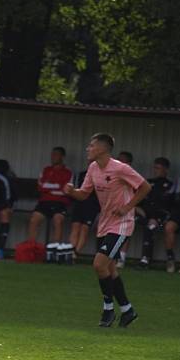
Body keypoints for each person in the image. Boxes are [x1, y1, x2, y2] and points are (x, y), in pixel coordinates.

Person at [64, 133, 151, 328]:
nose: (88, 148)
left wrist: (127, 207)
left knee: (98, 264)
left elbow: (145, 187)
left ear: (103, 148)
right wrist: (71, 192)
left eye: (91, 145)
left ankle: (108, 309)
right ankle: (128, 310)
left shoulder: (121, 168)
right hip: (104, 224)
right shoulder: (93, 168)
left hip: (121, 224)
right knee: (109, 269)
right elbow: (84, 194)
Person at [27, 147, 73, 246]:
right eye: (52, 154)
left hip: (60, 202)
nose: (53, 157)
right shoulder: (46, 170)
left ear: (62, 157)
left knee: (58, 220)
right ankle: (31, 247)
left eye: (56, 154)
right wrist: (56, 187)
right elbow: (40, 187)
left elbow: (65, 190)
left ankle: (55, 250)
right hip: (45, 201)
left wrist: (49, 188)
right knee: (34, 219)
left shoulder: (68, 172)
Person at [138, 157, 175, 269]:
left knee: (151, 227)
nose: (156, 170)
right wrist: (138, 210)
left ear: (166, 170)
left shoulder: (170, 185)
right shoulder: (148, 182)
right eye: (155, 168)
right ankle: (118, 257)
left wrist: (155, 217)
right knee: (125, 223)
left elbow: (169, 206)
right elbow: (139, 200)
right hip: (143, 215)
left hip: (160, 217)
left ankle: (145, 259)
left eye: (158, 168)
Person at [67, 168, 100, 256]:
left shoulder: (101, 175)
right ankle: (70, 251)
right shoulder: (81, 174)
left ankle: (76, 253)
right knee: (75, 226)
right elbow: (74, 189)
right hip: (79, 203)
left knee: (85, 228)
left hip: (92, 205)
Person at [116, 151, 134, 267]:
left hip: (128, 208)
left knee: (124, 231)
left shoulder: (132, 175)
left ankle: (121, 257)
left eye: (122, 160)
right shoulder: (114, 173)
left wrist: (130, 206)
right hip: (114, 207)